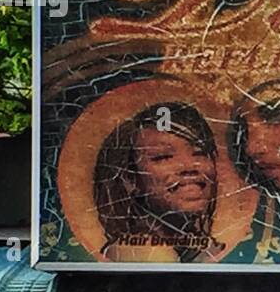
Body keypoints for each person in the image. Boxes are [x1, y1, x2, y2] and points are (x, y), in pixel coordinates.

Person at [92, 103, 219, 262]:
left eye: (200, 153)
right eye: (163, 156)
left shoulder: (201, 247)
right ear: (130, 179)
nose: (189, 166)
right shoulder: (144, 251)